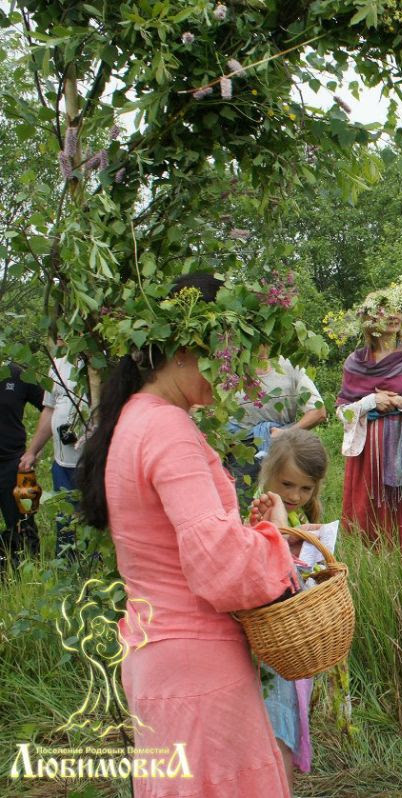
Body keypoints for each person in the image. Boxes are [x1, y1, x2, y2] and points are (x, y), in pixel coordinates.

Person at [74, 274, 297, 797]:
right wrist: (275, 538)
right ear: (181, 352)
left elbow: (180, 544)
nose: (237, 376)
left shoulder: (134, 418)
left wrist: (247, 529)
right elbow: (217, 564)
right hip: (197, 662)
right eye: (228, 358)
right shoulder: (168, 429)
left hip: (157, 650)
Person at [335, 283, 402, 550]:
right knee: (365, 516)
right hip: (366, 457)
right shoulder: (355, 362)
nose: (394, 315)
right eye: (384, 310)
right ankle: (368, 575)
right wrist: (371, 401)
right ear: (369, 319)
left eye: (397, 309)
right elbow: (342, 412)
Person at [252, 428, 328, 789]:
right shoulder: (260, 512)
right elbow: (264, 573)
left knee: (289, 719)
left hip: (294, 637)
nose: (296, 496)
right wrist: (285, 537)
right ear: (269, 473)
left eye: (306, 488)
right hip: (270, 642)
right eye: (287, 484)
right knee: (275, 725)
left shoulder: (300, 517)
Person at [227, 346, 327, 505]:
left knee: (286, 506)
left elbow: (318, 411)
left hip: (281, 452)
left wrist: (285, 433)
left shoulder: (289, 366)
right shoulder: (229, 368)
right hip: (240, 454)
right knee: (240, 507)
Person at [22, 347, 87, 553]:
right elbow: (49, 409)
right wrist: (32, 451)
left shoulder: (100, 364)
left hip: (92, 463)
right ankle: (68, 565)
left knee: (91, 521)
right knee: (66, 519)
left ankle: (95, 569)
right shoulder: (57, 363)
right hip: (62, 463)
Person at [2, 362, 45, 565]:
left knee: (25, 522)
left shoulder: (18, 374)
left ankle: (31, 575)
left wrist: (34, 450)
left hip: (17, 464)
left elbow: (50, 407)